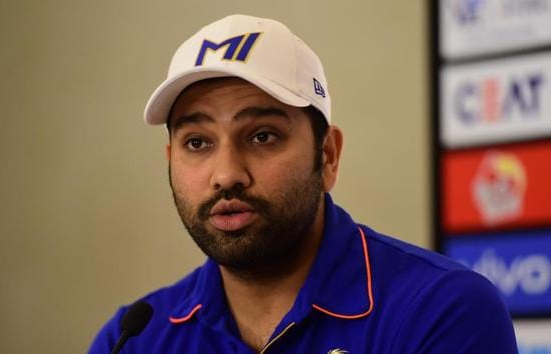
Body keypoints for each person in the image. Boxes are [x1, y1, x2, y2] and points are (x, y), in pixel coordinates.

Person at [89, 14, 517, 354]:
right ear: (170, 161)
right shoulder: (133, 338)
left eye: (262, 136)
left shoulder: (442, 311)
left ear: (327, 155)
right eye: (197, 142)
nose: (226, 174)